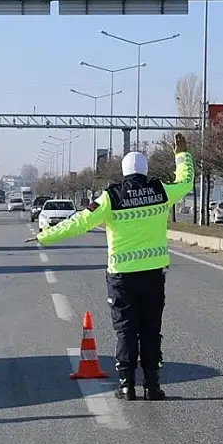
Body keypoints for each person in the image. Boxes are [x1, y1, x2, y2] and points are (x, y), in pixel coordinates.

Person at [26, 134, 194, 401]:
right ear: (146, 170)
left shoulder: (111, 197)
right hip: (152, 275)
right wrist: (182, 156)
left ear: (124, 171)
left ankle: (127, 386)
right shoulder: (160, 191)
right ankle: (152, 385)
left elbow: (79, 222)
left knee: (126, 330)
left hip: (121, 277)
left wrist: (45, 235)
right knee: (151, 330)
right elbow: (185, 183)